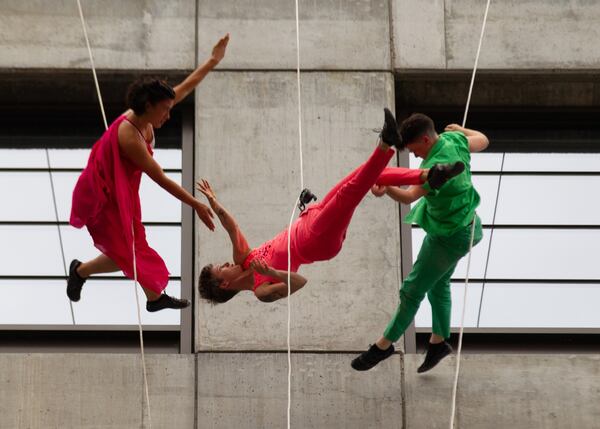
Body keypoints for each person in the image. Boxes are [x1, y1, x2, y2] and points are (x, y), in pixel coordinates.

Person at [197, 109, 465, 304]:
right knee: (352, 189)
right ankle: (386, 143)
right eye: (220, 267)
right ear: (224, 283)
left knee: (361, 176)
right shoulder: (260, 290)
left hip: (312, 219)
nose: (224, 262)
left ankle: (429, 175)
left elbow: (230, 226)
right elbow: (300, 283)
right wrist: (271, 272)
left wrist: (212, 200)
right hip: (314, 242)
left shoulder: (243, 258)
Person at [67, 34, 230, 312]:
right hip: (103, 195)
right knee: (129, 247)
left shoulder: (152, 109)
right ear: (148, 107)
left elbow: (187, 86)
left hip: (122, 188)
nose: (169, 114)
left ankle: (81, 271)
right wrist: (197, 206)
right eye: (165, 110)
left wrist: (213, 61)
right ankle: (154, 298)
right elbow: (161, 179)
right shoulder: (130, 137)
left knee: (125, 248)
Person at [351, 113, 489, 373]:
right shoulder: (454, 139)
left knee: (412, 291)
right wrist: (462, 128)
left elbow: (408, 197)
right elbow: (482, 139)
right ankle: (438, 342)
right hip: (469, 228)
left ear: (426, 139)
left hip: (447, 237)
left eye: (415, 150)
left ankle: (384, 345)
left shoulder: (434, 171)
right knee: (439, 285)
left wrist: (384, 186)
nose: (414, 156)